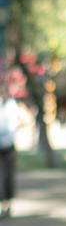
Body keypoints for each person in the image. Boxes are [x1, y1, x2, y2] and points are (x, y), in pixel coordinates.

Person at [0, 84, 21, 219]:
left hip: (8, 145)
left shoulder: (11, 105)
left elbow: (15, 123)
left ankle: (8, 204)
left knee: (8, 176)